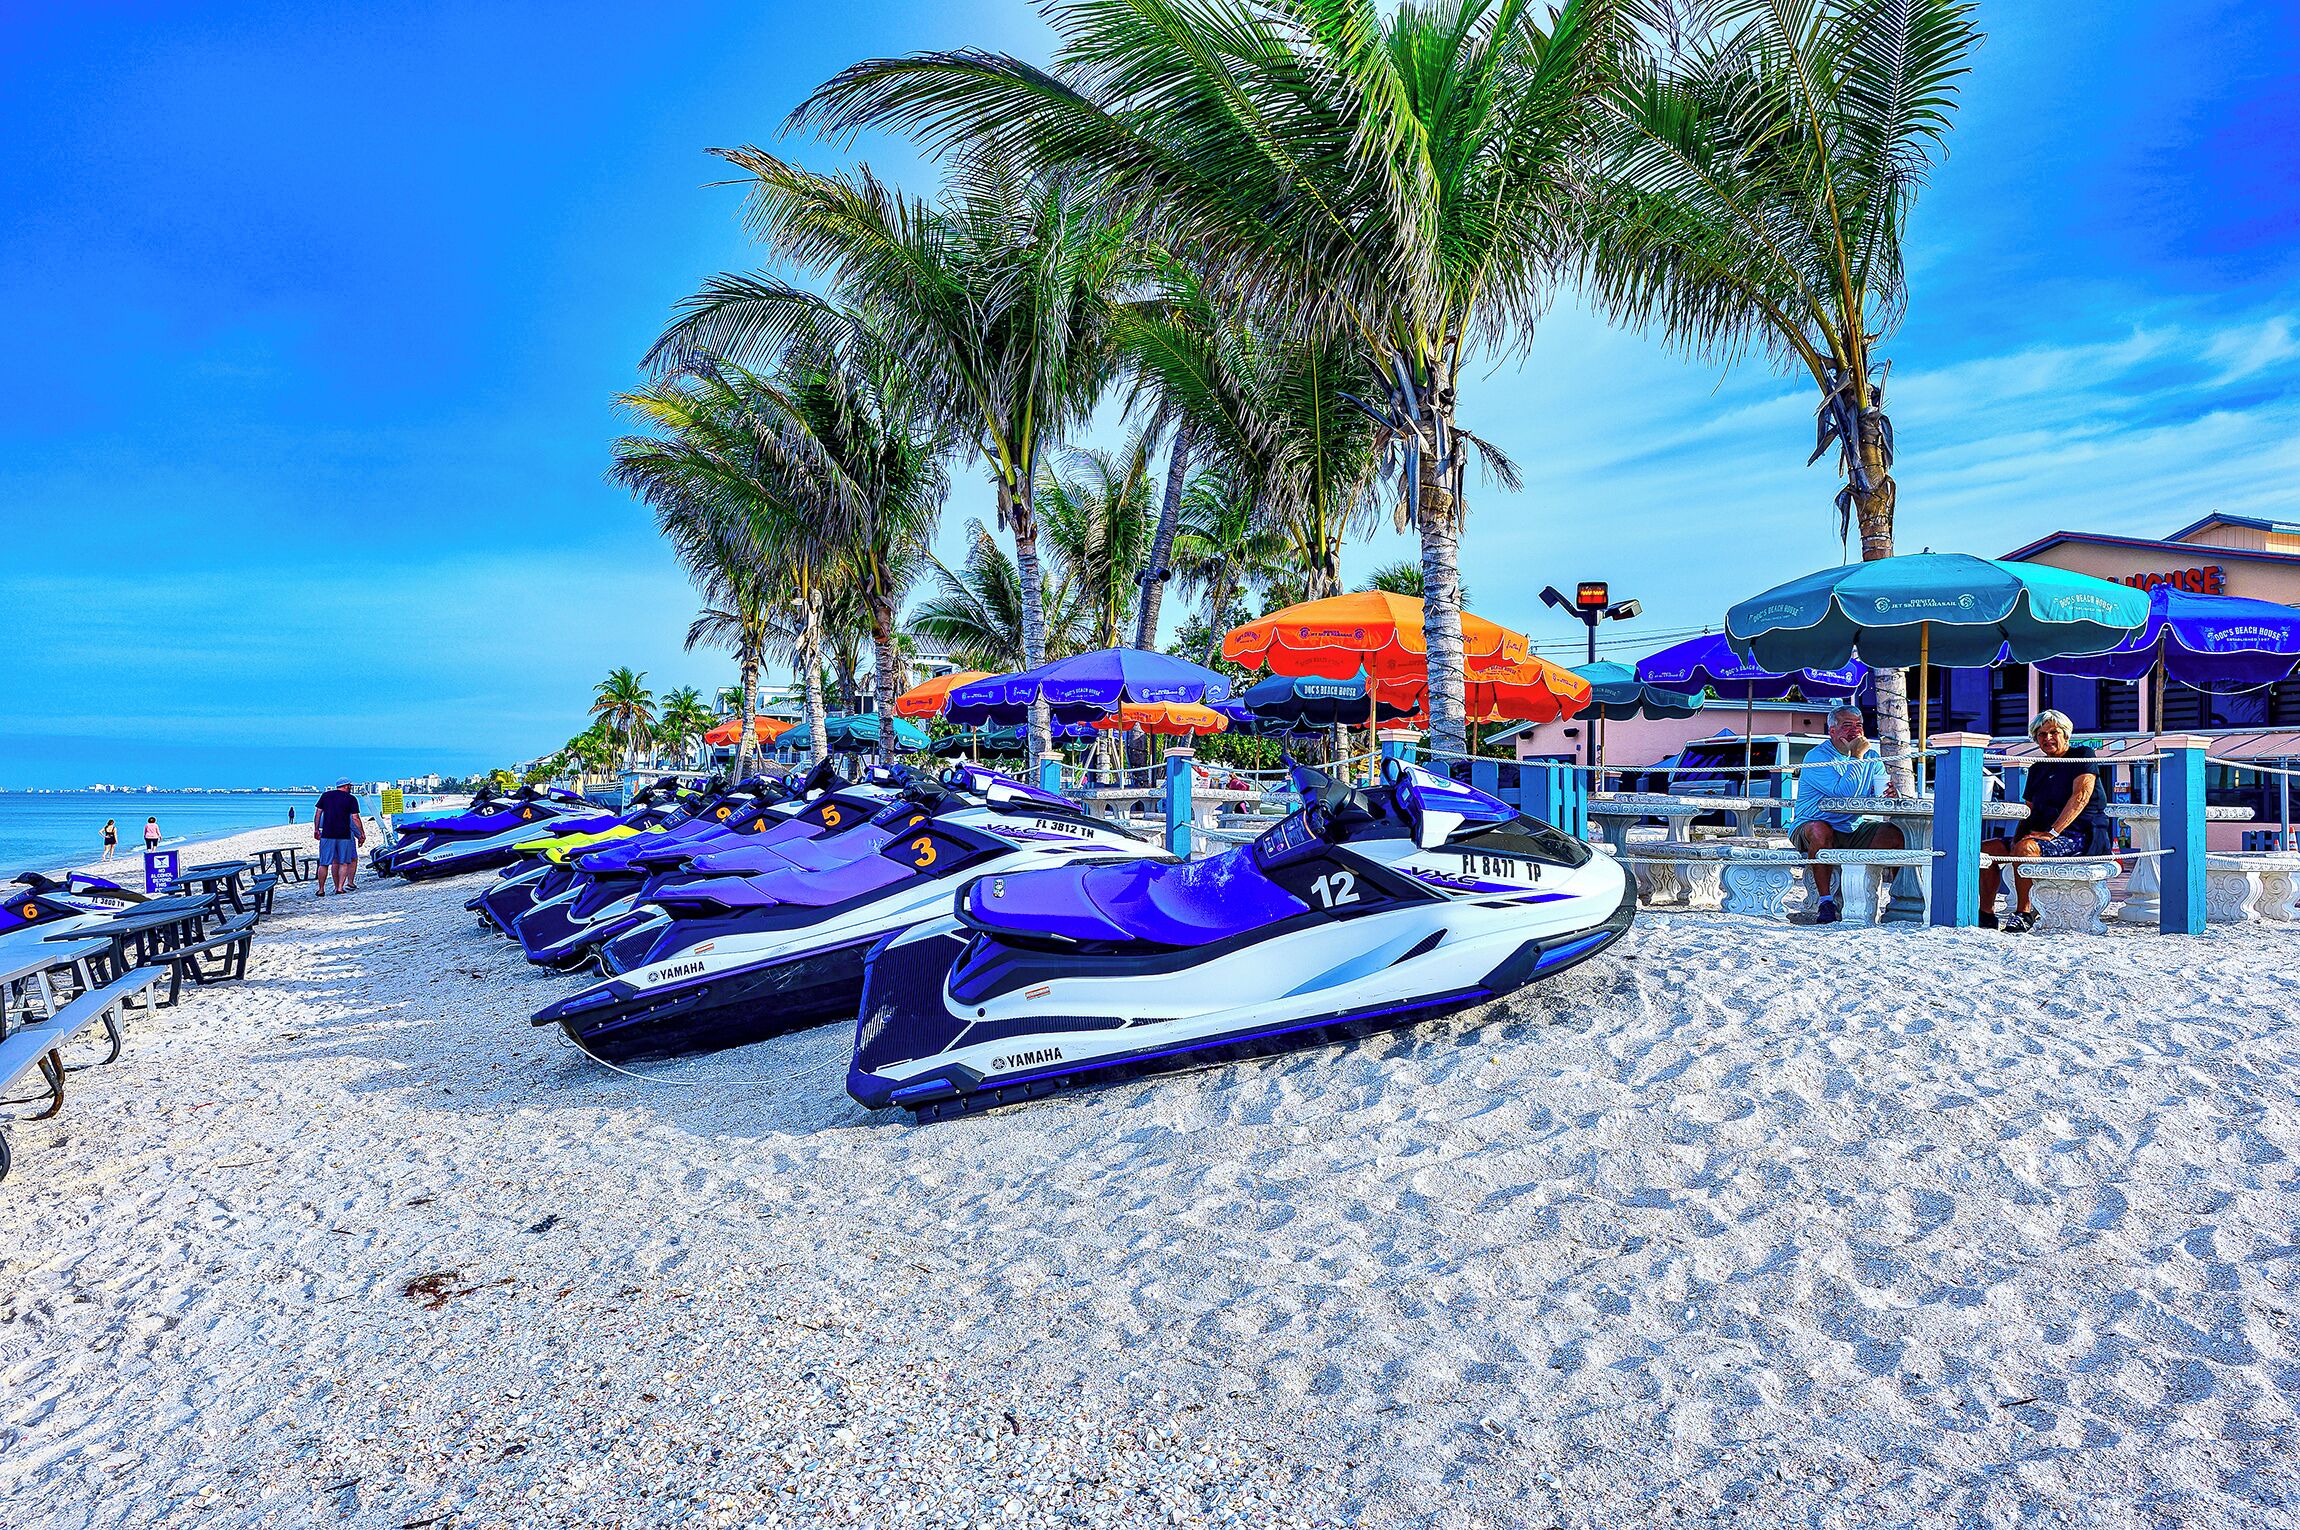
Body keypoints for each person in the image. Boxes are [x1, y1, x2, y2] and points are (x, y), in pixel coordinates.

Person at [1978, 710, 2110, 933]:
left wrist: (2052, 832)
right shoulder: (2037, 767)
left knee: (2025, 848)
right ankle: (1986, 914)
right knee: (1985, 851)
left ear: (2066, 734)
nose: (2047, 738)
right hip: (2040, 834)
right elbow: (2029, 810)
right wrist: (2017, 839)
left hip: (2080, 835)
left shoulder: (2082, 755)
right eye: (2040, 734)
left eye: (2053, 732)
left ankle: (2023, 913)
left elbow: (2081, 797)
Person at [1787, 704, 1904, 925]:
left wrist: (1889, 793)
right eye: (1847, 725)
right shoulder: (1816, 757)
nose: (1855, 731)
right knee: (1821, 829)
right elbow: (1843, 794)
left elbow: (1877, 794)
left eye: (1859, 725)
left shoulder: (1871, 756)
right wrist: (1856, 756)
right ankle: (1826, 902)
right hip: (1810, 827)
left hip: (1852, 826)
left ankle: (1899, 899)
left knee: (1896, 834)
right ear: (1832, 731)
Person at [313, 777, 366, 896]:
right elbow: (355, 818)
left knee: (324, 863)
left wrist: (316, 829)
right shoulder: (351, 799)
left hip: (327, 834)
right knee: (343, 862)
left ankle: (321, 889)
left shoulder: (325, 796)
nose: (351, 788)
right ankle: (340, 888)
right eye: (350, 786)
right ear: (346, 786)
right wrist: (361, 832)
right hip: (344, 835)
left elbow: (318, 814)